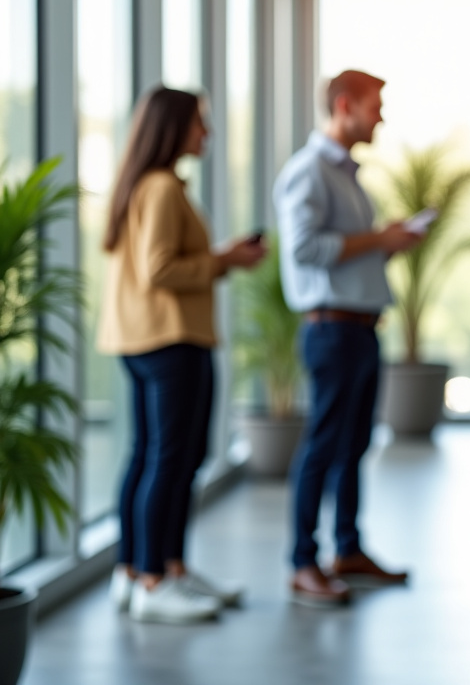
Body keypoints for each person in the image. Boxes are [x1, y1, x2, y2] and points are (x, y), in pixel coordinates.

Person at [98, 87, 267, 623]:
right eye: (199, 123)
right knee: (174, 459)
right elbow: (161, 270)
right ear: (175, 128)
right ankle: (154, 578)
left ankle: (144, 571)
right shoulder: (164, 188)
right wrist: (224, 261)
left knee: (150, 455)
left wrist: (218, 257)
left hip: (139, 339)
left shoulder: (139, 185)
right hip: (172, 340)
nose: (207, 133)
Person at [274, 70, 421, 607]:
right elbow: (305, 249)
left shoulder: (346, 176)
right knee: (322, 446)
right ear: (344, 105)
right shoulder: (308, 172)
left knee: (354, 445)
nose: (380, 115)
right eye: (374, 105)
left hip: (360, 328)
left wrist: (385, 244)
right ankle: (302, 562)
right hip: (331, 329)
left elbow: (346, 250)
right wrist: (376, 239)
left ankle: (348, 550)